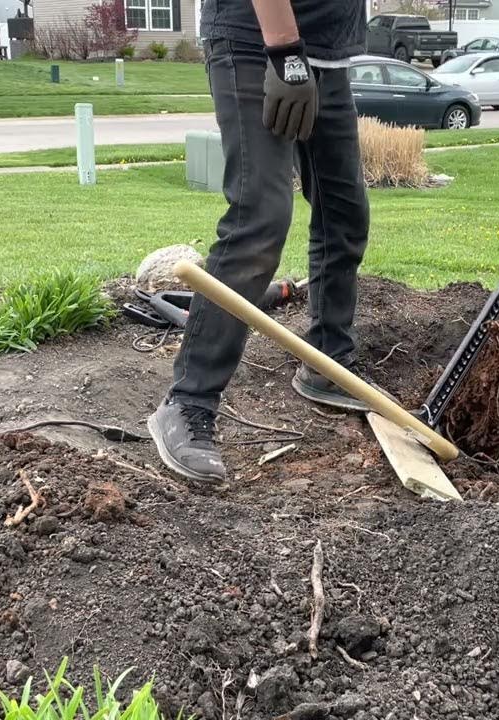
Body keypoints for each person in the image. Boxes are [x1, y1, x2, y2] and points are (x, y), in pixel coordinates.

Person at [146, 0, 372, 486]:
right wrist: (287, 54)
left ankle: (327, 361)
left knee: (345, 212)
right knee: (261, 215)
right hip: (258, 45)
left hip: (327, 54)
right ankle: (188, 401)